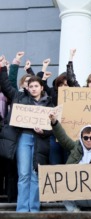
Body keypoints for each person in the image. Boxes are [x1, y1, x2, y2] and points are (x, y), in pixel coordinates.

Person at [0, 56, 53, 212]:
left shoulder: (49, 102)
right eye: (31, 86)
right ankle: (22, 209)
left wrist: (44, 131)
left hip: (40, 140)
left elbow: (54, 126)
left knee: (35, 175)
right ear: (27, 88)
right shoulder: (19, 97)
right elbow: (5, 85)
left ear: (42, 87)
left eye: (36, 86)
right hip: (23, 138)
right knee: (23, 174)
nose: (34, 88)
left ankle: (34, 208)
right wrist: (2, 68)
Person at [49, 112, 91, 212]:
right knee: (61, 182)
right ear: (81, 138)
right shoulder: (75, 147)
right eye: (86, 138)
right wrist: (54, 122)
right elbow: (63, 138)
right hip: (77, 195)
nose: (88, 140)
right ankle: (73, 210)